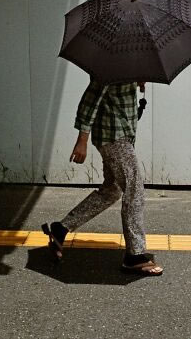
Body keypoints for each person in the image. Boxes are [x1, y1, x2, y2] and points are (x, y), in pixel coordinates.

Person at [42, 80, 163, 276]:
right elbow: (90, 102)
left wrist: (137, 83)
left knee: (111, 190)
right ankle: (135, 256)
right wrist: (82, 141)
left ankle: (60, 229)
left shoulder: (129, 66)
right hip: (114, 137)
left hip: (121, 136)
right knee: (135, 190)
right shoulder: (113, 67)